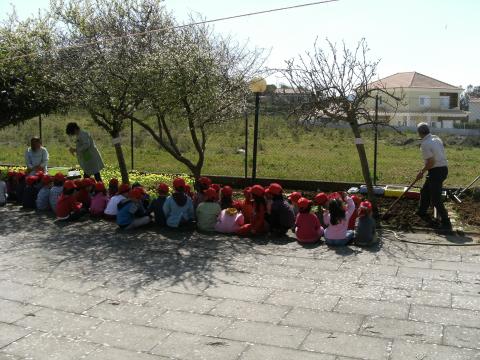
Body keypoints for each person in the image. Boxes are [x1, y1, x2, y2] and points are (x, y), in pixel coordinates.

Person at [415, 123, 452, 230]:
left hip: (436, 171)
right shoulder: (436, 139)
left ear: (420, 133)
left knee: (435, 199)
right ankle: (421, 211)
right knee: (425, 190)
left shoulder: (425, 144)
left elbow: (431, 162)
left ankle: (446, 222)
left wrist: (421, 172)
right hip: (443, 169)